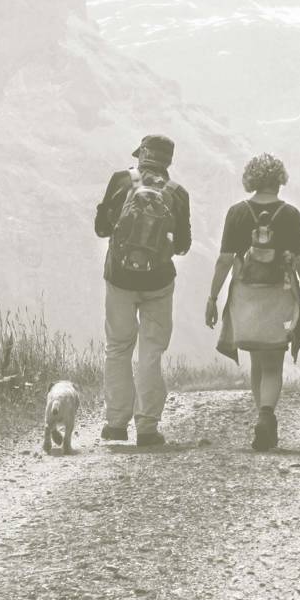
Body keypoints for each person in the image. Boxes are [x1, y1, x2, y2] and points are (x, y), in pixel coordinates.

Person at [205, 153, 300, 451]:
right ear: (279, 179)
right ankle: (266, 416)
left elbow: (224, 260)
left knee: (256, 358)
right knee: (273, 362)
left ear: (251, 179)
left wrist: (213, 297)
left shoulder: (236, 213)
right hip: (280, 294)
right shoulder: (290, 214)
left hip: (246, 295)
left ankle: (262, 419)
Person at [94, 135, 191, 447]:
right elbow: (184, 245)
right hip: (158, 283)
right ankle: (147, 428)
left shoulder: (120, 180)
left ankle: (115, 425)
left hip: (119, 279)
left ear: (142, 156)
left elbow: (101, 228)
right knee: (151, 352)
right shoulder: (177, 193)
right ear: (168, 161)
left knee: (118, 348)